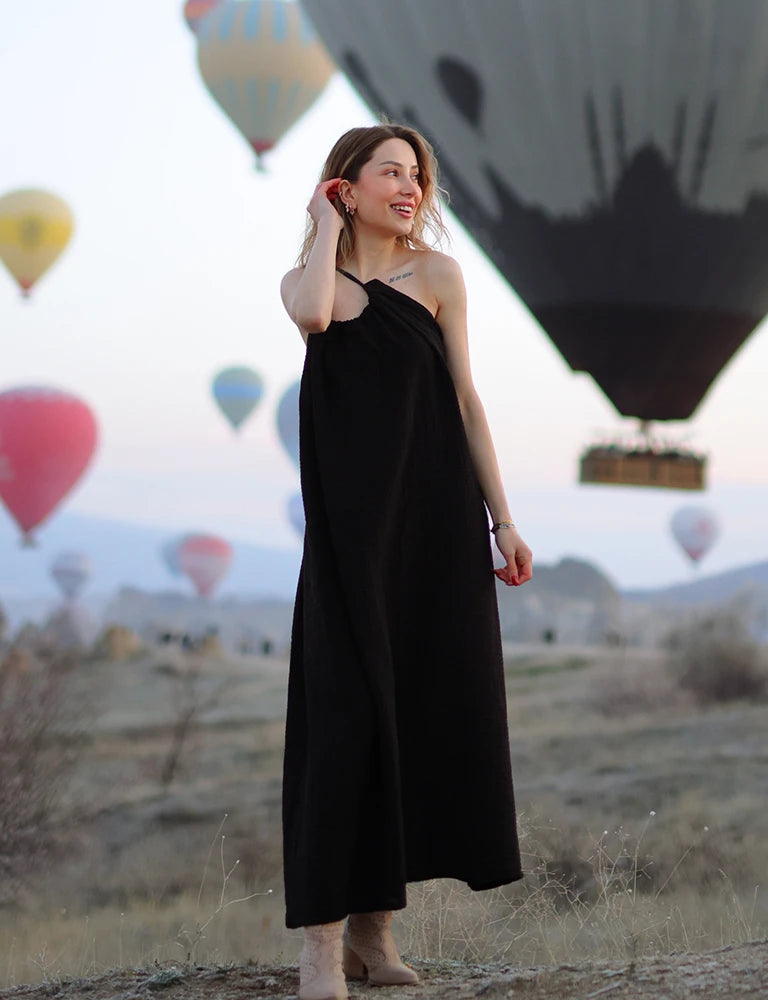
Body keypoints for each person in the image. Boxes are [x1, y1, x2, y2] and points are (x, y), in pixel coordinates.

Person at [280, 124, 533, 1000]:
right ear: (344, 186)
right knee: (344, 722)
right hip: (352, 541)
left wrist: (501, 518)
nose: (411, 187)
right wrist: (321, 226)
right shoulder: (310, 280)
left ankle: (372, 935)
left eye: (418, 175)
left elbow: (466, 397)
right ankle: (319, 947)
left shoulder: (439, 276)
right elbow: (316, 316)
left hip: (432, 527)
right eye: (389, 172)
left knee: (424, 715)